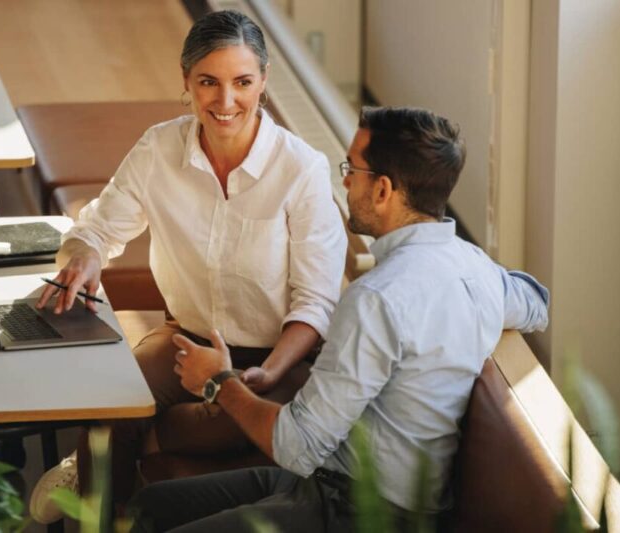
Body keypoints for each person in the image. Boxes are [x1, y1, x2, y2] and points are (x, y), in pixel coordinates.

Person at [126, 106, 552, 532]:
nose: (345, 180)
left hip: (363, 512)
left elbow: (297, 445)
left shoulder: (376, 299)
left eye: (353, 169)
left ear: (383, 190)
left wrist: (220, 382)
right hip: (337, 483)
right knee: (149, 506)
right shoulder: (474, 267)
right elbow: (536, 302)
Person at [28, 10, 348, 521]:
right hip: (185, 341)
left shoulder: (301, 169)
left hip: (278, 356)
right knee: (109, 403)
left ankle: (112, 450)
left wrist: (265, 373)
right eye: (209, 82)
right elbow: (97, 229)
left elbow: (316, 301)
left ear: (263, 82)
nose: (226, 102)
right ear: (186, 82)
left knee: (201, 422)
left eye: (243, 82)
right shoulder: (159, 148)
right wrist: (85, 257)